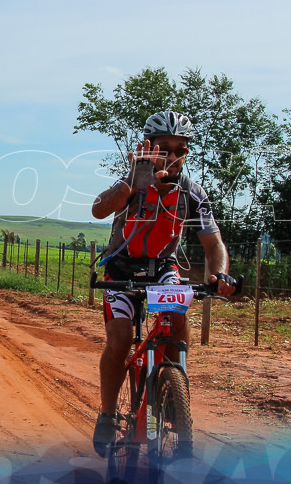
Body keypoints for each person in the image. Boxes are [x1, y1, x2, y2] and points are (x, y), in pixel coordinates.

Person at [90, 110, 239, 456]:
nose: (172, 157)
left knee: (176, 319)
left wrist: (219, 275)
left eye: (180, 149)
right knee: (122, 338)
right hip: (120, 269)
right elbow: (99, 210)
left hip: (162, 269)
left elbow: (213, 243)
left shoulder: (193, 193)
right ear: (148, 146)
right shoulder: (130, 183)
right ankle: (108, 415)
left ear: (187, 152)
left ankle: (173, 391)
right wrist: (130, 184)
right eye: (163, 148)